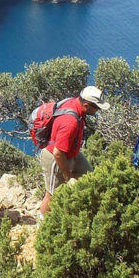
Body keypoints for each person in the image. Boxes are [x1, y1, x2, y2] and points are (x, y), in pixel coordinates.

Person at [39, 86, 110, 215]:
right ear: (87, 105)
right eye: (96, 108)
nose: (97, 111)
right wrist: (68, 176)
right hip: (55, 157)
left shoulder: (76, 103)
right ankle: (43, 225)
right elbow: (58, 153)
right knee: (52, 194)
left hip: (72, 152)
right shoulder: (69, 122)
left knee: (90, 177)